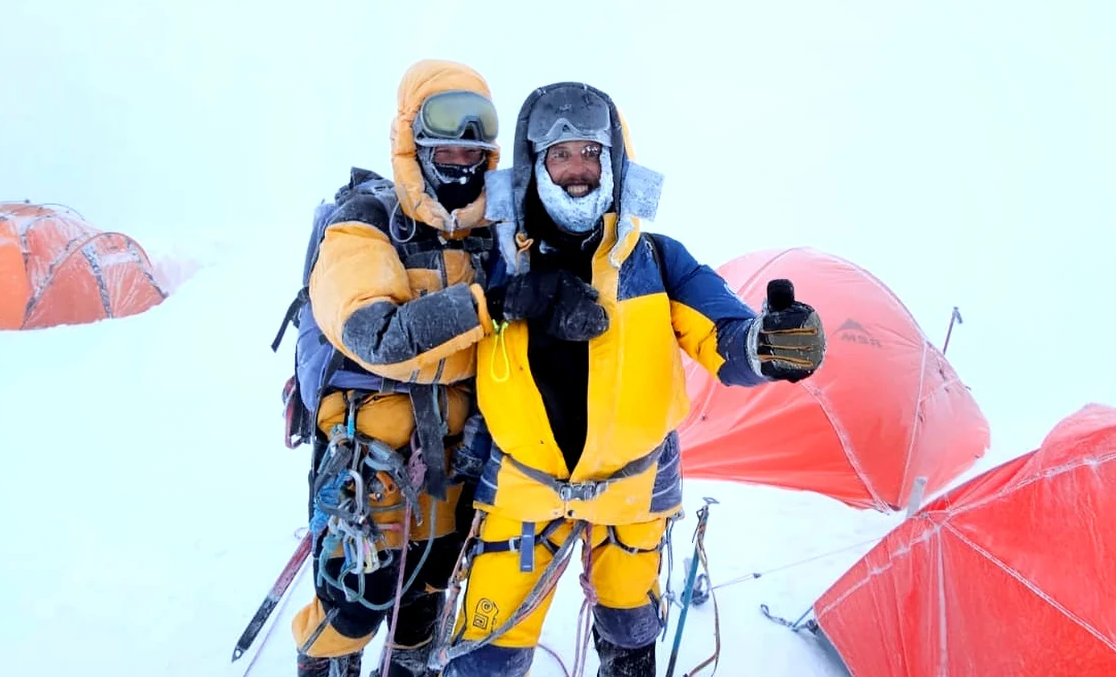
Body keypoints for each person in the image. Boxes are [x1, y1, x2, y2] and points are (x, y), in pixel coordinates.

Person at [437, 82, 827, 677]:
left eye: (590, 153)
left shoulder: (659, 260)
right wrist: (505, 298)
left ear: (613, 161)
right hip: (521, 490)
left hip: (633, 493)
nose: (577, 169)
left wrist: (767, 346)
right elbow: (434, 335)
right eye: (560, 154)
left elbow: (724, 335)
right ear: (535, 164)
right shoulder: (494, 261)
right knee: (486, 657)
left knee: (630, 644)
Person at [289, 59, 503, 677]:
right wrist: (486, 309)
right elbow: (376, 334)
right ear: (413, 136)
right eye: (446, 138)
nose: (461, 155)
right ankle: (323, 662)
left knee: (426, 604)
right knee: (354, 607)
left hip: (456, 465)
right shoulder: (364, 222)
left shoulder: (494, 237)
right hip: (367, 467)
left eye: (475, 142)